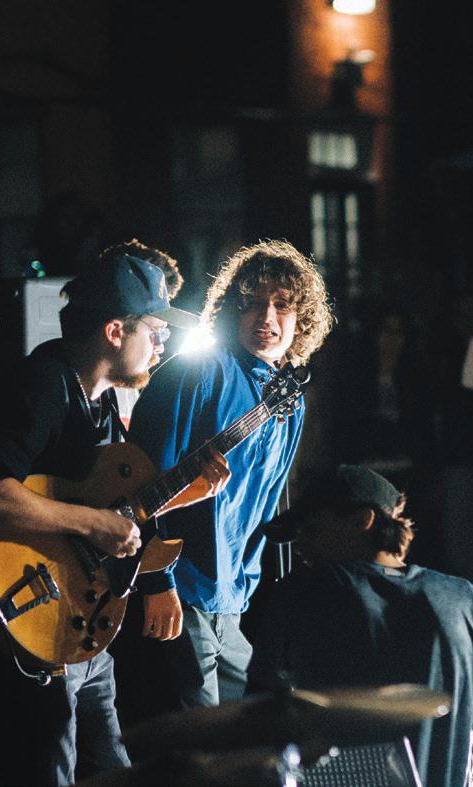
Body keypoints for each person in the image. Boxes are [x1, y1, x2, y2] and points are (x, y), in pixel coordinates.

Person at [0, 241, 227, 785]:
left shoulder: (99, 400)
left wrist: (186, 492)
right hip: (22, 625)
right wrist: (92, 524)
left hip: (77, 629)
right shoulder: (42, 385)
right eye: (156, 331)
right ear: (115, 331)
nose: (162, 345)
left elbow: (106, 509)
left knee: (113, 772)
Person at [128, 239, 333, 711]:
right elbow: (139, 485)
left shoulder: (288, 398)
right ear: (231, 310)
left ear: (302, 319)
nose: (267, 317)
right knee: (201, 737)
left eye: (282, 305)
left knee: (255, 726)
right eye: (254, 303)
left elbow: (267, 501)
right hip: (181, 591)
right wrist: (157, 582)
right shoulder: (198, 372)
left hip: (233, 598)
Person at [248, 464, 473, 787]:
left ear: (363, 519)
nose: (299, 547)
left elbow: (256, 720)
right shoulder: (467, 600)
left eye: (311, 530)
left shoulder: (299, 594)